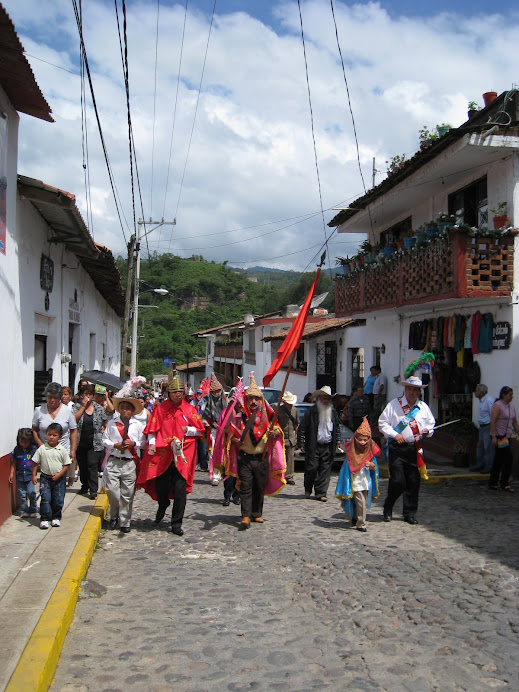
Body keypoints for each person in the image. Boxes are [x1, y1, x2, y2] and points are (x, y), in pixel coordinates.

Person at [137, 369, 205, 536]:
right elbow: (152, 429)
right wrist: (152, 444)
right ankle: (163, 503)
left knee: (180, 490)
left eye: (180, 392)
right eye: (174, 392)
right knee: (162, 486)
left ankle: (176, 523)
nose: (178, 395)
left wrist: (187, 430)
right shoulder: (160, 409)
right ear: (169, 393)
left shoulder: (190, 410)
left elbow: (200, 431)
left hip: (182, 456)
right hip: (163, 455)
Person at [228, 374, 284, 529]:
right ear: (245, 400)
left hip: (261, 458)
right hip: (245, 458)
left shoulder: (269, 417)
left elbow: (278, 429)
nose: (253, 401)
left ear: (261, 400)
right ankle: (245, 515)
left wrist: (275, 433)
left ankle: (256, 513)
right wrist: (236, 441)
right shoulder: (239, 417)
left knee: (259, 486)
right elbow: (230, 436)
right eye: (250, 398)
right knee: (246, 486)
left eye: (256, 398)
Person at [378, 375, 435, 525]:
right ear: (405, 389)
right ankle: (388, 506)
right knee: (398, 480)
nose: (411, 392)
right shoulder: (394, 405)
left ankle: (409, 513)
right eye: (409, 389)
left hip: (414, 449)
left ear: (418, 392)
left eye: (415, 390)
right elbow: (382, 423)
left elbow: (431, 423)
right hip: (397, 449)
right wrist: (395, 435)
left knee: (413, 481)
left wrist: (427, 431)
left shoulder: (423, 407)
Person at [102, 391, 146, 533]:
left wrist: (134, 443)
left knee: (127, 493)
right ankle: (114, 516)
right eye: (122, 407)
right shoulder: (112, 424)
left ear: (132, 410)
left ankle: (125, 521)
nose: (125, 410)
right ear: (119, 409)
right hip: (114, 461)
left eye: (128, 408)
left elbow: (143, 442)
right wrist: (115, 445)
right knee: (113, 492)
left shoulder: (137, 425)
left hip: (129, 462)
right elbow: (104, 440)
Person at [297, 385, 342, 502]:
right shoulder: (311, 411)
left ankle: (321, 493)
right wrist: (301, 443)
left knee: (325, 470)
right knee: (312, 468)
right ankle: (308, 488)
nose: (325, 401)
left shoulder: (333, 412)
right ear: (318, 399)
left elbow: (337, 428)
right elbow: (302, 428)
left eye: (327, 399)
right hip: (313, 445)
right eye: (323, 398)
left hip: (328, 445)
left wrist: (338, 441)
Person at [335, 417, 380, 532]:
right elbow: (346, 470)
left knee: (360, 502)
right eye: (360, 440)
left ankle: (355, 517)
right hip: (354, 482)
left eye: (365, 440)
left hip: (365, 481)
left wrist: (372, 466)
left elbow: (375, 468)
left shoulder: (370, 452)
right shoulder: (351, 453)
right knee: (361, 502)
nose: (362, 442)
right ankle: (361, 523)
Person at [31, 422, 73, 529]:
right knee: (45, 498)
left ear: (60, 437)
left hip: (59, 480)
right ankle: (44, 518)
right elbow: (35, 462)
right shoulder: (42, 449)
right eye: (49, 435)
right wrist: (34, 476)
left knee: (58, 499)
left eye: (54, 435)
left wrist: (59, 474)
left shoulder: (62, 450)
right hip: (45, 478)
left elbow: (67, 464)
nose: (51, 437)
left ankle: (56, 517)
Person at [32, 382, 77, 475]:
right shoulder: (39, 411)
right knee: (46, 477)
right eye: (50, 397)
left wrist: (72, 450)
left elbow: (73, 431)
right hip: (45, 451)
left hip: (63, 451)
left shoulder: (67, 411)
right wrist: (41, 445)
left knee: (60, 480)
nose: (52, 400)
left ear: (60, 398)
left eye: (55, 398)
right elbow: (34, 430)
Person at [73, 384, 108, 499]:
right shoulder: (76, 407)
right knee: (82, 465)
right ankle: (85, 485)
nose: (87, 397)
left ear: (93, 396)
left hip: (94, 442)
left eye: (89, 394)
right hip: (80, 441)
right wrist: (83, 407)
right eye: (85, 394)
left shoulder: (98, 408)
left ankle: (93, 489)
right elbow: (73, 421)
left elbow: (105, 421)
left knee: (92, 464)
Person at [489, 386, 519, 492]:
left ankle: (494, 482)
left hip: (508, 435)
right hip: (500, 436)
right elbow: (493, 421)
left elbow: (514, 422)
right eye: (510, 394)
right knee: (508, 458)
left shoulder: (511, 407)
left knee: (499, 459)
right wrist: (493, 436)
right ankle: (504, 482)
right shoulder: (498, 406)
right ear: (504, 395)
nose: (511, 397)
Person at [201, 373, 228, 486]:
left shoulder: (225, 401)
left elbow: (229, 414)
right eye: (214, 392)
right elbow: (202, 415)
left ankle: (224, 472)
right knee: (213, 452)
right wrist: (205, 422)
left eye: (218, 391)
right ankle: (215, 476)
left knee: (224, 451)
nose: (217, 393)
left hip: (224, 430)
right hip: (212, 430)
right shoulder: (207, 402)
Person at [9, 428, 38, 518]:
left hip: (30, 476)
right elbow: (14, 462)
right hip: (20, 476)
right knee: (22, 494)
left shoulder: (33, 449)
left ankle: (33, 509)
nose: (23, 444)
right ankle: (24, 510)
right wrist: (11, 473)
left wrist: (34, 475)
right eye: (21, 441)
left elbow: (36, 462)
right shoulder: (17, 450)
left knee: (31, 492)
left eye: (26, 442)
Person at [276, 391, 299, 485]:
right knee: (280, 458)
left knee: (290, 457)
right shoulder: (278, 410)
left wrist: (296, 434)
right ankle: (279, 475)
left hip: (291, 438)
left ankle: (289, 476)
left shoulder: (294, 410)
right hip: (281, 437)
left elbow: (296, 423)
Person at [471, 384, 495, 473]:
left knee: (488, 447)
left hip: (488, 427)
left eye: (476, 390)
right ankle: (480, 464)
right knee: (480, 446)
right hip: (482, 427)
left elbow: (493, 415)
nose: (475, 392)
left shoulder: (488, 401)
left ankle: (489, 466)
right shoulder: (481, 401)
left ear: (481, 392)